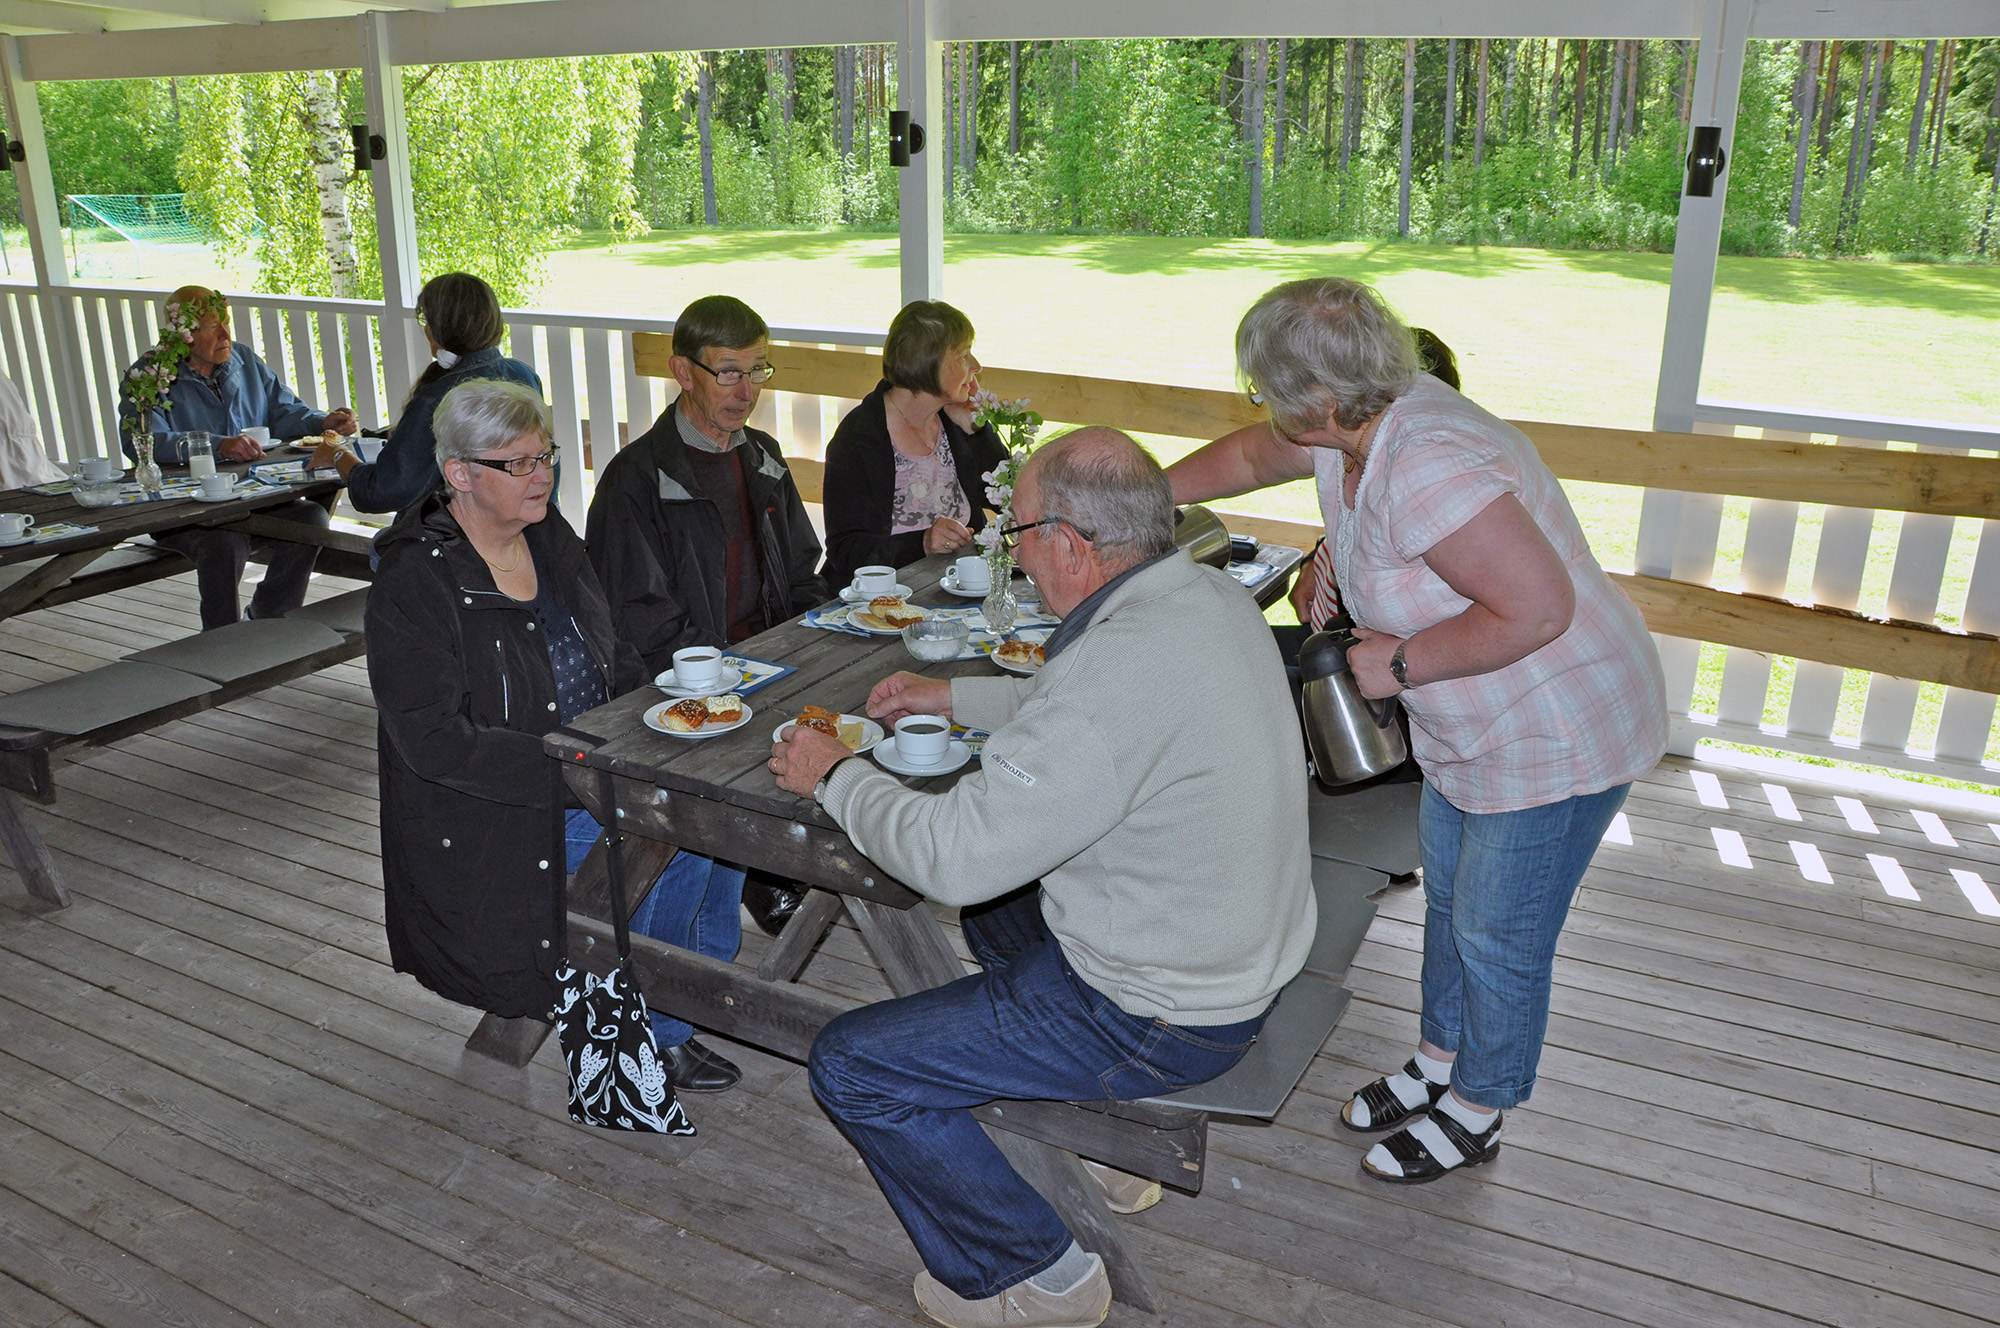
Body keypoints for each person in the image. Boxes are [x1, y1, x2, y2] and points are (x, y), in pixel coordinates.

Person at [770, 428, 1314, 1328]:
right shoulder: (1200, 596)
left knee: (856, 1064)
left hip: (1161, 1013)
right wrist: (955, 697)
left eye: (1015, 533)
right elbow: (1094, 714)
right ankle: (1112, 1149)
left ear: (1071, 544)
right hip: (1234, 955)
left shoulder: (1114, 669)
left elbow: (952, 855)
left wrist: (835, 776)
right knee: (1005, 913)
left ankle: (1034, 1276)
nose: (1010, 553)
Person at [1167, 277, 1667, 1184]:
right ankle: (1440, 1062)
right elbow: (1246, 461)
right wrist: (1142, 499)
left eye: (1270, 394)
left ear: (1320, 398)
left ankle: (1481, 1107)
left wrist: (1396, 664)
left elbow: (1538, 608)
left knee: (1499, 934)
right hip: (1473, 721)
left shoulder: (1427, 459)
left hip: (1555, 728)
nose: (1266, 412)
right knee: (1451, 909)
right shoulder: (1358, 424)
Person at [368, 378, 748, 1092]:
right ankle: (654, 1032)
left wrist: (659, 711)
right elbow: (436, 744)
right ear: (459, 475)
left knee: (724, 820)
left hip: (591, 764)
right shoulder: (414, 584)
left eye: (546, 456)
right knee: (677, 839)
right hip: (497, 813)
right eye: (518, 464)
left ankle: (691, 1002)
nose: (542, 475)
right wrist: (578, 768)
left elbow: (616, 653)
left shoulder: (548, 538)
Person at [586, 294, 826, 669]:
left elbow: (801, 576)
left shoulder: (764, 456)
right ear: (683, 372)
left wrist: (801, 646)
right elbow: (640, 622)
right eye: (728, 373)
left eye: (757, 371)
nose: (746, 393)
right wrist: (731, 668)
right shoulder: (635, 480)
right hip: (687, 682)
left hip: (774, 661)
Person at [118, 286, 359, 630]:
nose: (225, 334)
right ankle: (222, 639)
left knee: (311, 519)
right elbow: (143, 442)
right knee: (224, 542)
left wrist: (321, 422)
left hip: (252, 498)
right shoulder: (149, 377)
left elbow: (283, 410)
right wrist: (217, 445)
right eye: (212, 326)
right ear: (182, 336)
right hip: (186, 511)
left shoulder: (244, 360)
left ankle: (268, 620)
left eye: (226, 323)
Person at [311, 272, 542, 515]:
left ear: (441, 328)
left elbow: (382, 491)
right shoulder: (524, 377)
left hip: (451, 544)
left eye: (426, 319)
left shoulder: (438, 399)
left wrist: (337, 454)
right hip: (527, 534)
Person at [818, 299, 1008, 593]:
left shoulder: (954, 422)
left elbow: (1006, 499)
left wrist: (976, 431)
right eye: (963, 356)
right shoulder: (858, 438)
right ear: (926, 362)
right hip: (884, 599)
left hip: (959, 588)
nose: (976, 366)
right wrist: (921, 543)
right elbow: (846, 550)